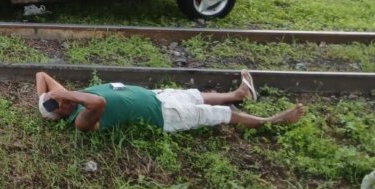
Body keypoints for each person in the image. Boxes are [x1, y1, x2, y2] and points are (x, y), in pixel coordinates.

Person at [35, 70, 305, 133]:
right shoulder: (79, 121)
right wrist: (66, 95)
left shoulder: (60, 99)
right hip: (167, 116)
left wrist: (43, 96)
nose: (63, 101)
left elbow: (41, 75)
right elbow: (99, 103)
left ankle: (238, 95)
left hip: (156, 96)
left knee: (195, 94)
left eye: (58, 99)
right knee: (216, 114)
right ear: (61, 113)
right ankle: (271, 122)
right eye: (60, 105)